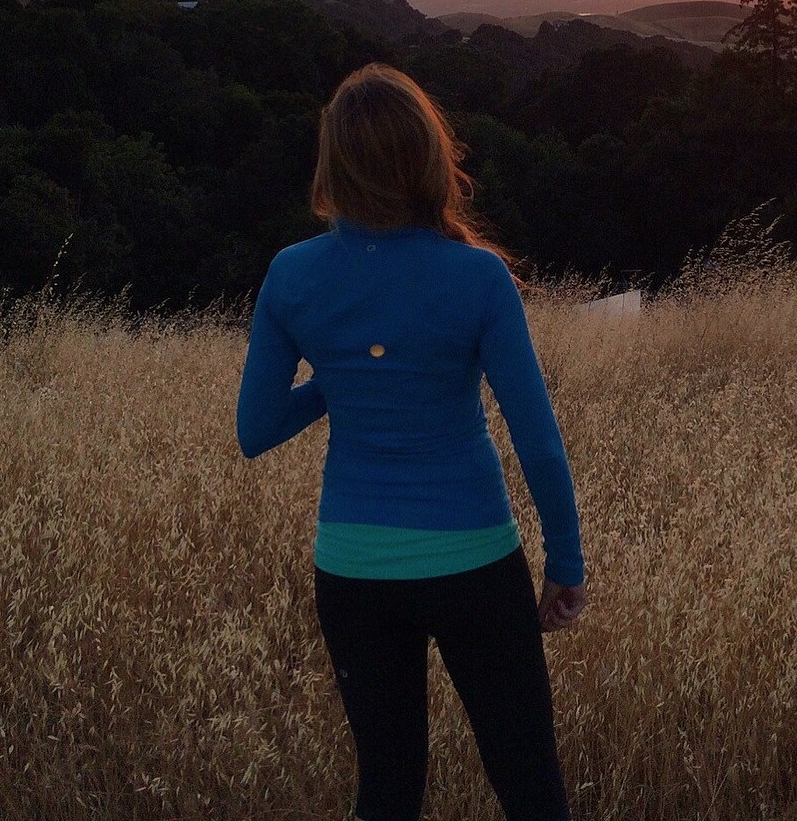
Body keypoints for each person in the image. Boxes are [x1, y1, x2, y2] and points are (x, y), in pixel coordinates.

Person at [236, 62, 586, 821]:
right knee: (530, 785)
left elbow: (255, 432)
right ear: (429, 154)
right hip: (475, 563)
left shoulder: (290, 275)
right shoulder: (478, 277)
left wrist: (339, 376)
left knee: (387, 790)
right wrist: (565, 560)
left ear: (334, 162)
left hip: (352, 570)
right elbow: (539, 441)